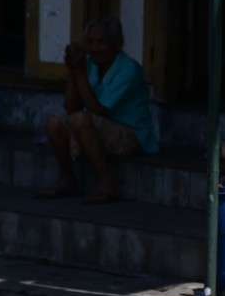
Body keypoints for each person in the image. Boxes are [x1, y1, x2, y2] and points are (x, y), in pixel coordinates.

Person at [41, 16, 157, 203]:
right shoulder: (88, 63)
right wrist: (72, 72)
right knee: (53, 123)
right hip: (98, 127)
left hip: (129, 134)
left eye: (101, 43)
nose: (95, 49)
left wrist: (79, 73)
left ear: (117, 45)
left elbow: (97, 109)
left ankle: (108, 183)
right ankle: (68, 179)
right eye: (91, 43)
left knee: (80, 120)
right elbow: (71, 107)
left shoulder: (129, 69)